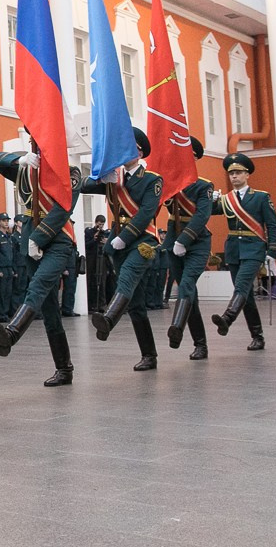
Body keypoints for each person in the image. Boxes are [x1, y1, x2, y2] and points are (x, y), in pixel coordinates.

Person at [0, 146, 81, 387]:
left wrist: (39, 238)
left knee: (38, 286)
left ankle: (12, 331)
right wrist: (20, 159)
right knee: (49, 308)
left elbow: (63, 208)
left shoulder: (71, 172)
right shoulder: (28, 169)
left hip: (57, 238)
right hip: (30, 237)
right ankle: (64, 369)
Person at [83, 129, 163, 371]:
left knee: (127, 275)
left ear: (139, 152)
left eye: (129, 147)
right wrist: (99, 176)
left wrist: (124, 237)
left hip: (142, 240)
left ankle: (109, 318)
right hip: (118, 243)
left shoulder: (152, 179)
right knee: (136, 303)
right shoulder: (113, 177)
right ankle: (149, 355)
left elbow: (146, 213)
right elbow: (83, 185)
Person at [210, 152, 276, 351]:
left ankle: (227, 318)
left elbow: (272, 225)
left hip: (254, 249)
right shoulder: (227, 200)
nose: (234, 176)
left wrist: (273, 251)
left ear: (247, 175)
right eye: (231, 173)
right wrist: (210, 199)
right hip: (234, 250)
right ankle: (257, 337)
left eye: (239, 172)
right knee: (246, 295)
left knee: (241, 285)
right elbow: (209, 211)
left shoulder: (261, 197)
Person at [164, 137, 212, 360]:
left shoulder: (203, 185)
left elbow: (202, 216)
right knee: (190, 294)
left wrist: (184, 240)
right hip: (172, 239)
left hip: (197, 243)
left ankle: (177, 327)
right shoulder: (171, 183)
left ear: (194, 158)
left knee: (186, 284)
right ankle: (200, 345)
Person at [84, 215, 109, 312]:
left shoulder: (105, 233)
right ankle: (91, 304)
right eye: (99, 224)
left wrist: (106, 241)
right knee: (90, 280)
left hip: (101, 259)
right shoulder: (89, 232)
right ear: (95, 222)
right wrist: (93, 239)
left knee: (102, 281)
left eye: (102, 224)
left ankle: (102, 304)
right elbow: (86, 245)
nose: (101, 226)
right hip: (91, 259)